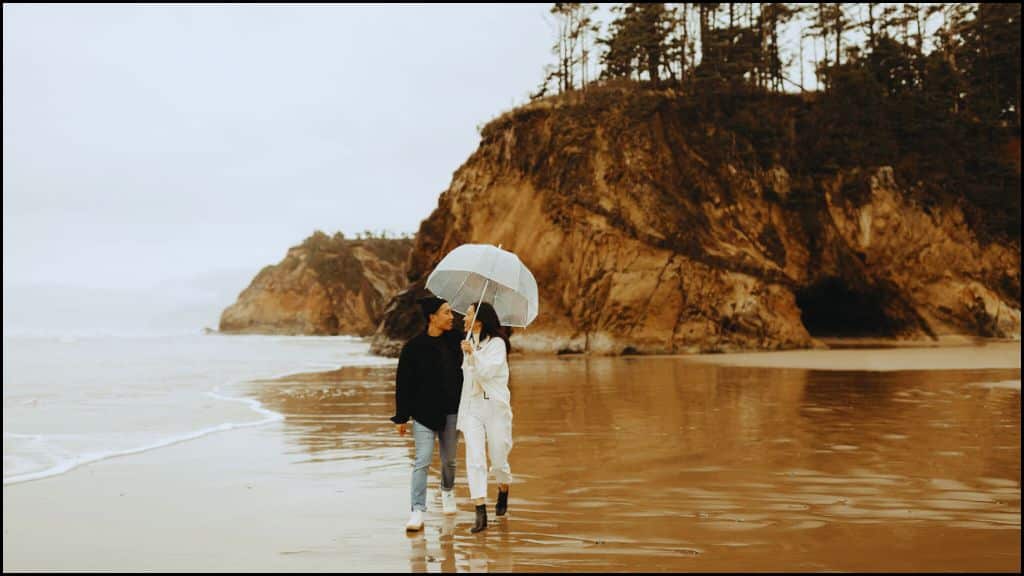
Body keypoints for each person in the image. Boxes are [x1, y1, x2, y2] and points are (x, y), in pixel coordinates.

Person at [391, 296, 464, 531]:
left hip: (452, 411)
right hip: (423, 414)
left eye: (451, 312)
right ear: (432, 317)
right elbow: (403, 384)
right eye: (446, 312)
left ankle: (447, 491)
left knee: (449, 461)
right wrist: (401, 417)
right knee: (422, 461)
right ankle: (417, 510)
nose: (452, 317)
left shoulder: (458, 341)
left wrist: (471, 352)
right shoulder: (413, 347)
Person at [456, 302, 513, 533]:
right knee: (475, 457)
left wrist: (473, 355)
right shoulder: (468, 342)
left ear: (479, 320)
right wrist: (468, 353)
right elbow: (467, 377)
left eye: (468, 314)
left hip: (495, 406)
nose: (464, 319)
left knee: (498, 457)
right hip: (473, 407)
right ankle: (480, 511)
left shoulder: (497, 344)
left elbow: (487, 372)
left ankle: (503, 487)